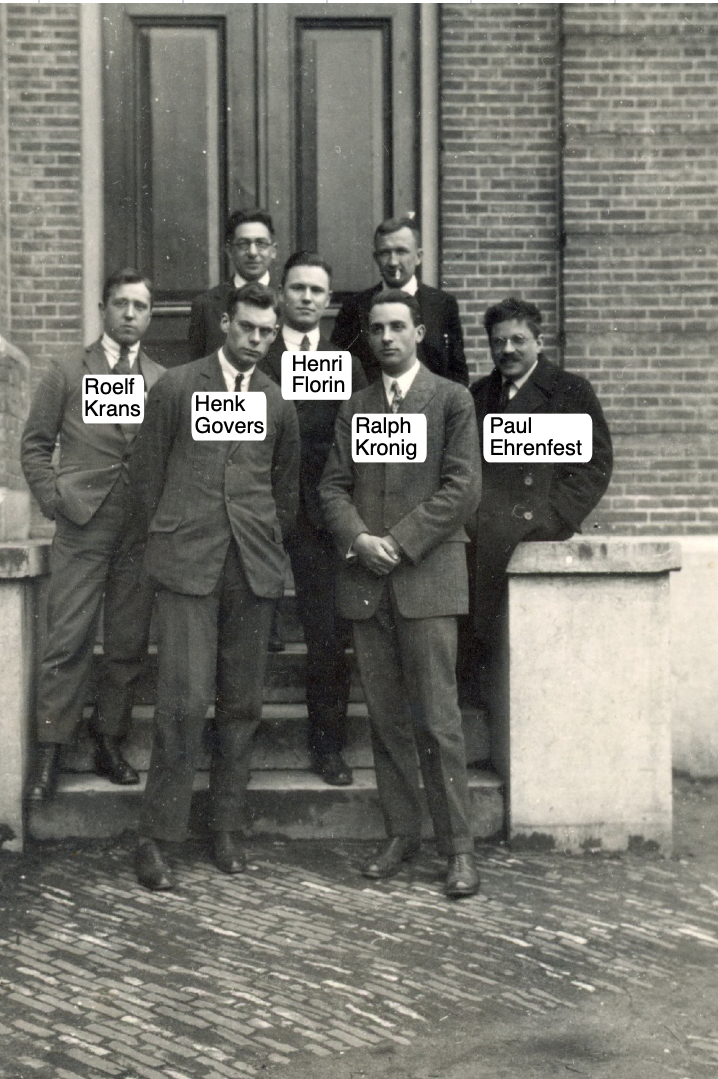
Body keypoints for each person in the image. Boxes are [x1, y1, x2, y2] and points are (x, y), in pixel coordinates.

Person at [128, 282, 300, 891]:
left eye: (266, 332)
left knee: (242, 704)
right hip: (188, 564)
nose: (255, 339)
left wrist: (265, 544)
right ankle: (157, 837)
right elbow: (146, 477)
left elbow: (285, 492)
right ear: (226, 323)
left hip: (251, 569)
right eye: (246, 327)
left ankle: (225, 827)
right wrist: (170, 540)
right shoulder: (177, 387)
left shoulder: (277, 402)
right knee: (182, 701)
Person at [320, 289, 482, 898]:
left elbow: (461, 488)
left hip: (427, 581)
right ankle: (401, 832)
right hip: (368, 584)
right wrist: (360, 540)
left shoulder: (452, 400)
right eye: (376, 329)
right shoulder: (356, 405)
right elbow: (332, 487)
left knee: (438, 721)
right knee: (386, 721)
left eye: (397, 327)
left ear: (419, 333)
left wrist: (399, 541)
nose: (386, 337)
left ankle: (458, 848)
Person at [21, 268, 165, 803]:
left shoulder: (161, 379)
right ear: (103, 309)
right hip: (82, 525)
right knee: (68, 638)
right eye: (121, 303)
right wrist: (55, 499)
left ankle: (109, 742)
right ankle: (50, 752)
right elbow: (35, 446)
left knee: (127, 642)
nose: (130, 314)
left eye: (140, 306)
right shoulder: (66, 371)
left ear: (150, 315)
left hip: (138, 530)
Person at [462, 297, 613, 700]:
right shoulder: (479, 395)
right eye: (498, 342)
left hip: (535, 537)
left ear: (539, 342)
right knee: (483, 656)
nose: (507, 349)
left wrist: (552, 519)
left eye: (518, 340)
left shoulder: (570, 390)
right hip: (483, 542)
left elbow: (594, 466)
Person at [260, 252, 368, 787]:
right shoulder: (256, 356)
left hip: (321, 517)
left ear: (328, 302)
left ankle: (328, 746)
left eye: (316, 291)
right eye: (297, 288)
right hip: (259, 510)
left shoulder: (347, 365)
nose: (306, 298)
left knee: (327, 635)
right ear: (281, 293)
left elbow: (363, 442)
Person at [330, 215, 469, 386]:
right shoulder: (354, 307)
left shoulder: (443, 305)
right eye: (385, 253)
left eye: (401, 251)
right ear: (376, 258)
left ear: (418, 256)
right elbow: (338, 371)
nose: (393, 262)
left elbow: (458, 375)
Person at [187, 208, 278, 360]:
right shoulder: (206, 305)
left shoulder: (288, 301)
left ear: (273, 250)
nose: (252, 252)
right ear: (229, 251)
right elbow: (197, 367)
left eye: (261, 243)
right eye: (243, 244)